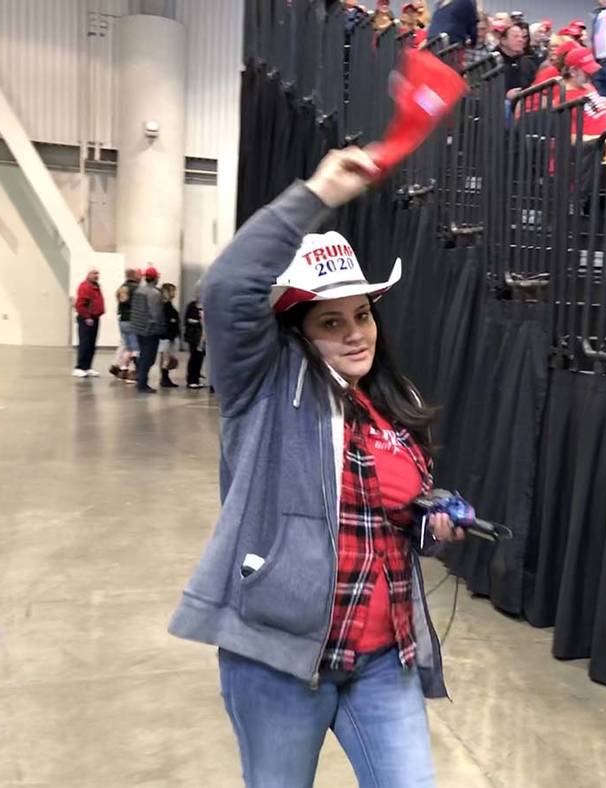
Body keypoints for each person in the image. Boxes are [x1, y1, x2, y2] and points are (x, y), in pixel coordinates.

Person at [167, 147, 465, 787]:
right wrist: (322, 189)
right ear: (297, 331)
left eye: (362, 315)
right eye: (331, 321)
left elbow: (393, 519)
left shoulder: (395, 402)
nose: (356, 333)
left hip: (386, 657)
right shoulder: (263, 386)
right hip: (279, 660)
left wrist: (432, 523)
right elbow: (224, 287)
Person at [130, 266, 165, 393]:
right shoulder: (155, 293)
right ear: (155, 278)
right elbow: (156, 314)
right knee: (149, 357)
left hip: (138, 328)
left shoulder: (138, 290)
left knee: (144, 355)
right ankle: (142, 383)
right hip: (150, 330)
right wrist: (161, 328)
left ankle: (140, 375)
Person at [73, 267, 105, 378]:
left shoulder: (96, 286)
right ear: (88, 274)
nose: (96, 275)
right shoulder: (85, 286)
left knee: (92, 344)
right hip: (86, 319)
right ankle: (79, 367)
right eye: (94, 273)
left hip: (95, 318)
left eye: (97, 273)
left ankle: (87, 367)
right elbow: (80, 304)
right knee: (85, 343)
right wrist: (87, 317)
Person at [110, 268, 140, 382]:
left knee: (126, 346)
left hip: (122, 320)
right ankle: (133, 372)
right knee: (135, 347)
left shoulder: (121, 288)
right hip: (132, 320)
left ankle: (122, 369)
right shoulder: (136, 288)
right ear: (134, 275)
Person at [499, 22, 539, 98]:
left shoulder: (528, 63)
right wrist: (505, 96)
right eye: (516, 37)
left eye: (522, 37)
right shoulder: (491, 62)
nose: (521, 40)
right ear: (503, 40)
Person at [159, 283, 181, 389]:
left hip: (170, 335)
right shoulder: (165, 306)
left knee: (168, 358)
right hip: (166, 336)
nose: (174, 293)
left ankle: (165, 377)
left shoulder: (169, 305)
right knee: (166, 358)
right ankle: (164, 377)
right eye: (172, 291)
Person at [183, 290, 206, 389]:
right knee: (194, 357)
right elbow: (187, 320)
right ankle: (191, 379)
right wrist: (198, 322)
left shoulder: (206, 306)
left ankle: (196, 378)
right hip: (194, 336)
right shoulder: (191, 306)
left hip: (203, 336)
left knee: (200, 357)